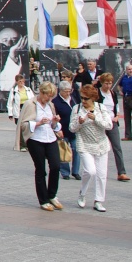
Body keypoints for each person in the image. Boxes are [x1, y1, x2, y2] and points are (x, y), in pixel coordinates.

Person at [19, 81, 63, 211]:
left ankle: (52, 195)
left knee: (55, 166)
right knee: (40, 169)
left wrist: (55, 123)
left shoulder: (51, 105)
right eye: (47, 96)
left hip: (50, 138)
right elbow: (23, 125)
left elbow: (54, 126)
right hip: (36, 139)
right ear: (41, 92)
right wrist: (38, 123)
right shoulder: (30, 104)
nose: (48, 99)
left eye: (51, 96)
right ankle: (43, 200)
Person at [71, 83, 112, 212]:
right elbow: (71, 128)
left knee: (101, 174)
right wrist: (79, 122)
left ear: (93, 98)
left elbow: (109, 125)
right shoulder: (77, 109)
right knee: (90, 171)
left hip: (101, 145)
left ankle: (99, 200)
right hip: (84, 144)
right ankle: (82, 194)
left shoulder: (101, 108)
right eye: (82, 98)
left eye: (86, 99)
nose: (83, 101)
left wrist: (96, 118)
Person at [97, 73, 130, 182]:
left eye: (110, 83)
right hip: (101, 123)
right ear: (101, 83)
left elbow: (116, 106)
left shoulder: (112, 93)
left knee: (117, 147)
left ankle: (121, 172)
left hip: (112, 123)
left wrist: (117, 116)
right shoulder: (97, 93)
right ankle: (98, 171)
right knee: (100, 148)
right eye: (106, 83)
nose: (108, 85)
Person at [54, 81, 81, 180]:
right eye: (66, 91)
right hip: (63, 130)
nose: (68, 93)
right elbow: (55, 117)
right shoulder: (55, 102)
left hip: (74, 130)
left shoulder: (73, 99)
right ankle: (65, 172)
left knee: (76, 150)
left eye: (70, 91)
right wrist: (58, 129)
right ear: (60, 91)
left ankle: (76, 171)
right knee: (64, 150)